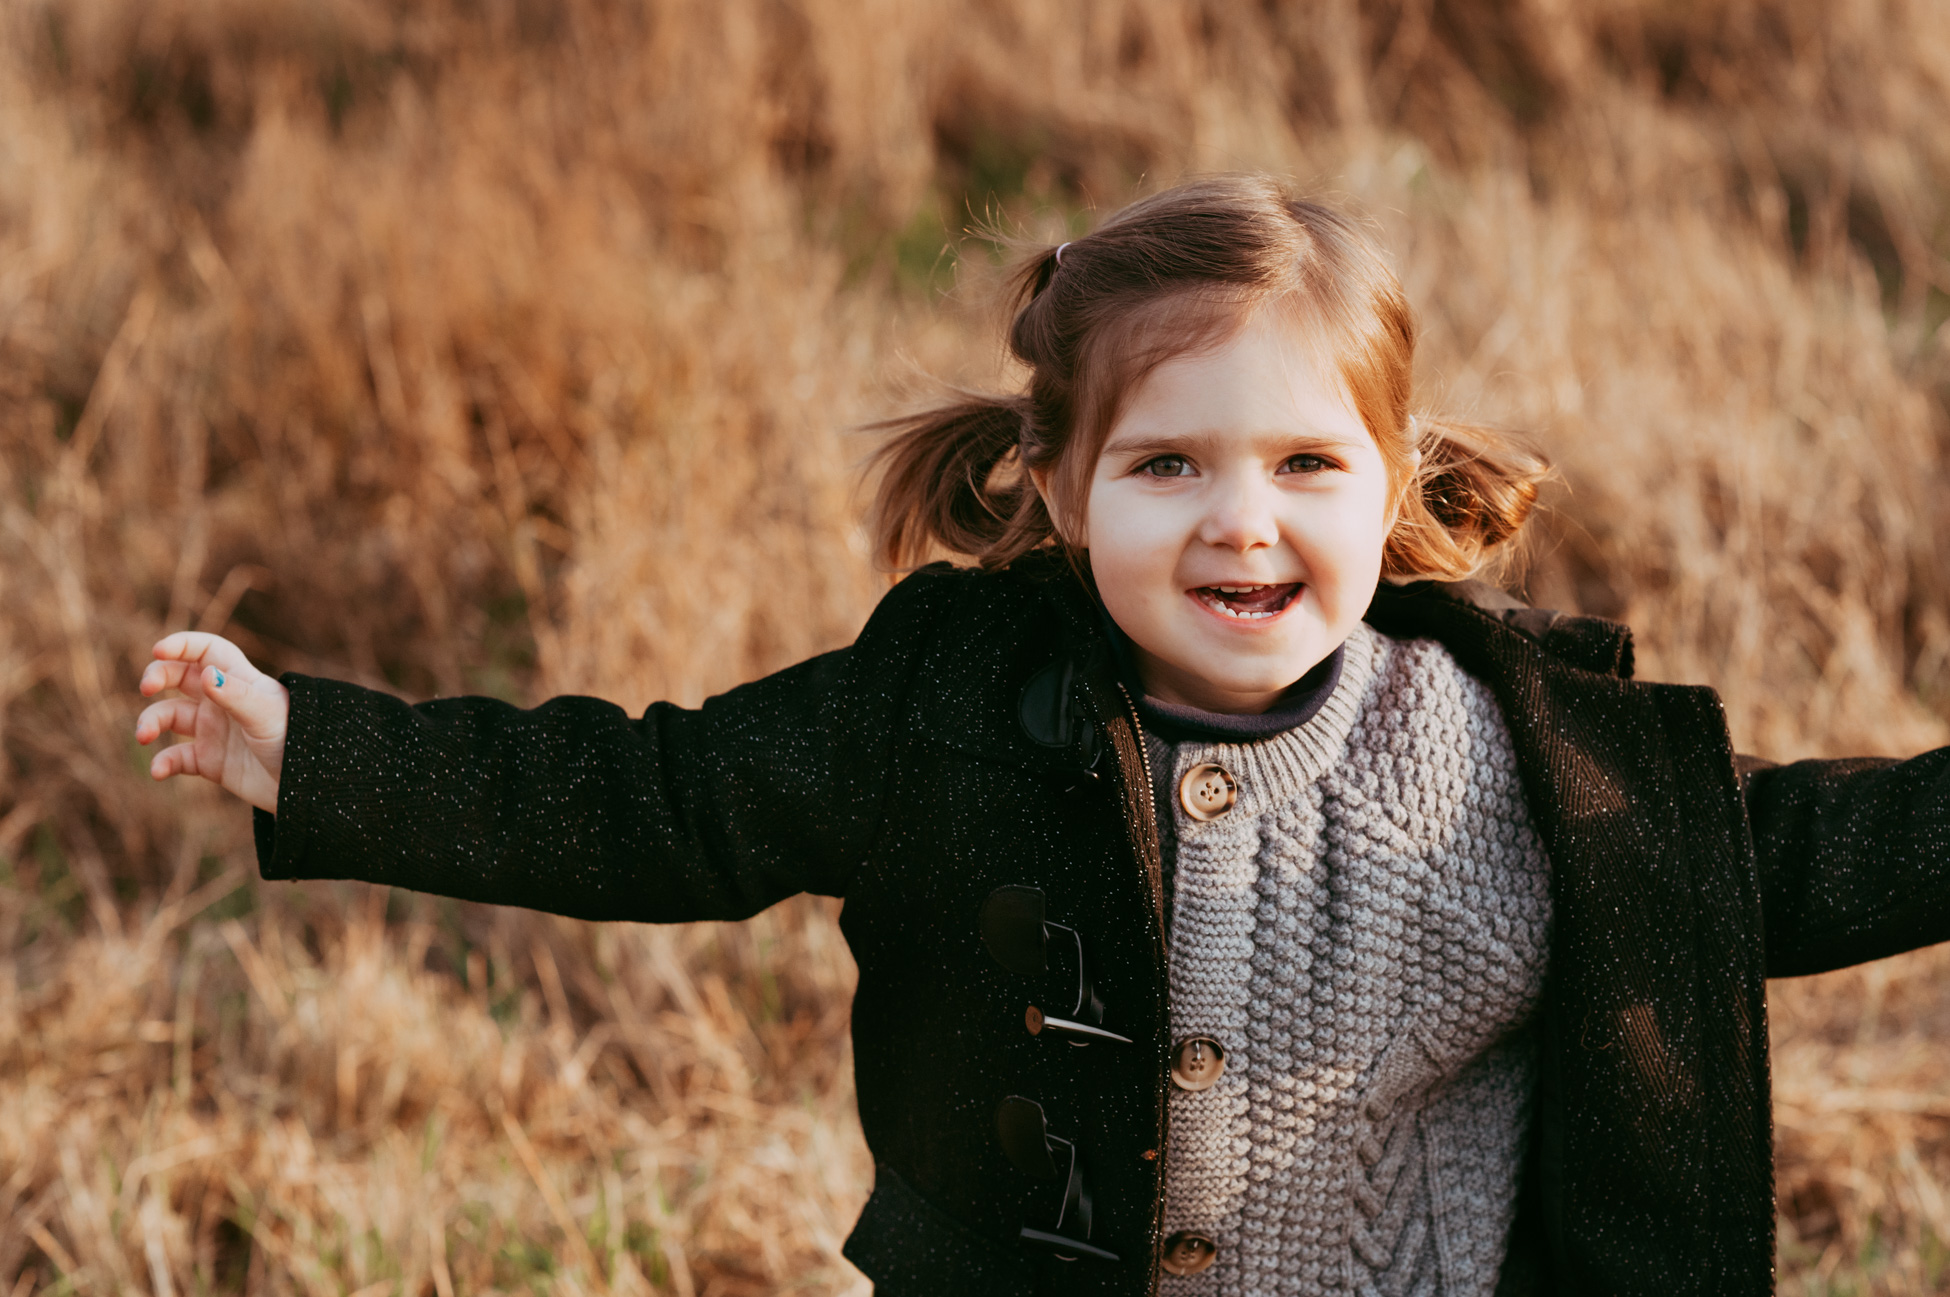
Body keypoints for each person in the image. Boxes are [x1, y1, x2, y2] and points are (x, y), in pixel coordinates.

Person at [134, 175, 1950, 1297]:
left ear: (1393, 492)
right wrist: (322, 751)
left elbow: (1775, 863)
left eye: (1305, 464)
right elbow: (653, 798)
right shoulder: (937, 713)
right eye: (1169, 464)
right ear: (1058, 488)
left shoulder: (1497, 764)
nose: (1240, 520)